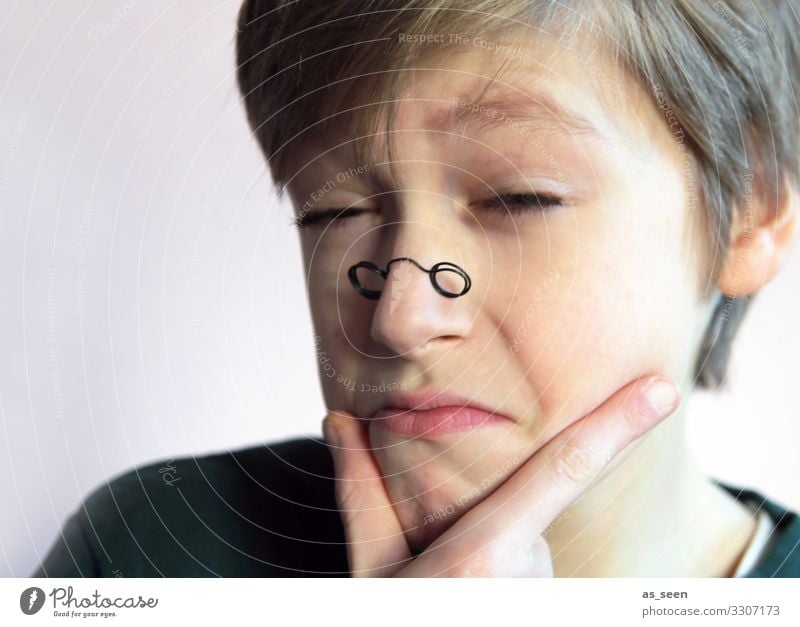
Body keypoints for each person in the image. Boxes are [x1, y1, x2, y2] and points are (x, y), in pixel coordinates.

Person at [35, 0, 800, 577]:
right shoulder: (156, 544)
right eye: (334, 210)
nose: (400, 314)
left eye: (517, 198)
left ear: (750, 213)